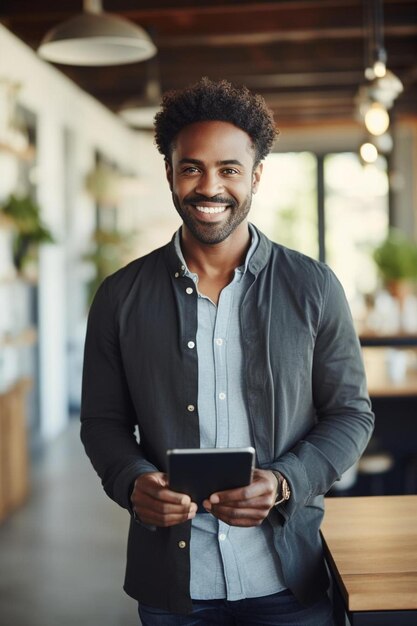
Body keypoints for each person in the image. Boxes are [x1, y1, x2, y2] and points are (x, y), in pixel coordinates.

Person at [80, 77, 374, 626]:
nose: (209, 186)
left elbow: (351, 414)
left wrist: (285, 480)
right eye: (191, 167)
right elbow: (101, 422)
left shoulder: (313, 287)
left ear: (256, 175)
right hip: (174, 586)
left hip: (289, 577)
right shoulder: (119, 296)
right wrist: (132, 481)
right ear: (169, 172)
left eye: (229, 169)